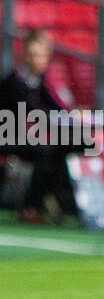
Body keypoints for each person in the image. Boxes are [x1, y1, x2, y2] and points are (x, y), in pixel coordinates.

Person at [0, 31, 77, 223]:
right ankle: (30, 208)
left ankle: (64, 204)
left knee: (63, 148)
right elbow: (32, 113)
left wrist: (73, 115)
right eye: (34, 55)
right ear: (25, 55)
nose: (38, 60)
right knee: (45, 151)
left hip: (23, 136)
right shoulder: (14, 82)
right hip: (6, 136)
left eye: (42, 55)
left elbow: (55, 107)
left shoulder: (39, 80)